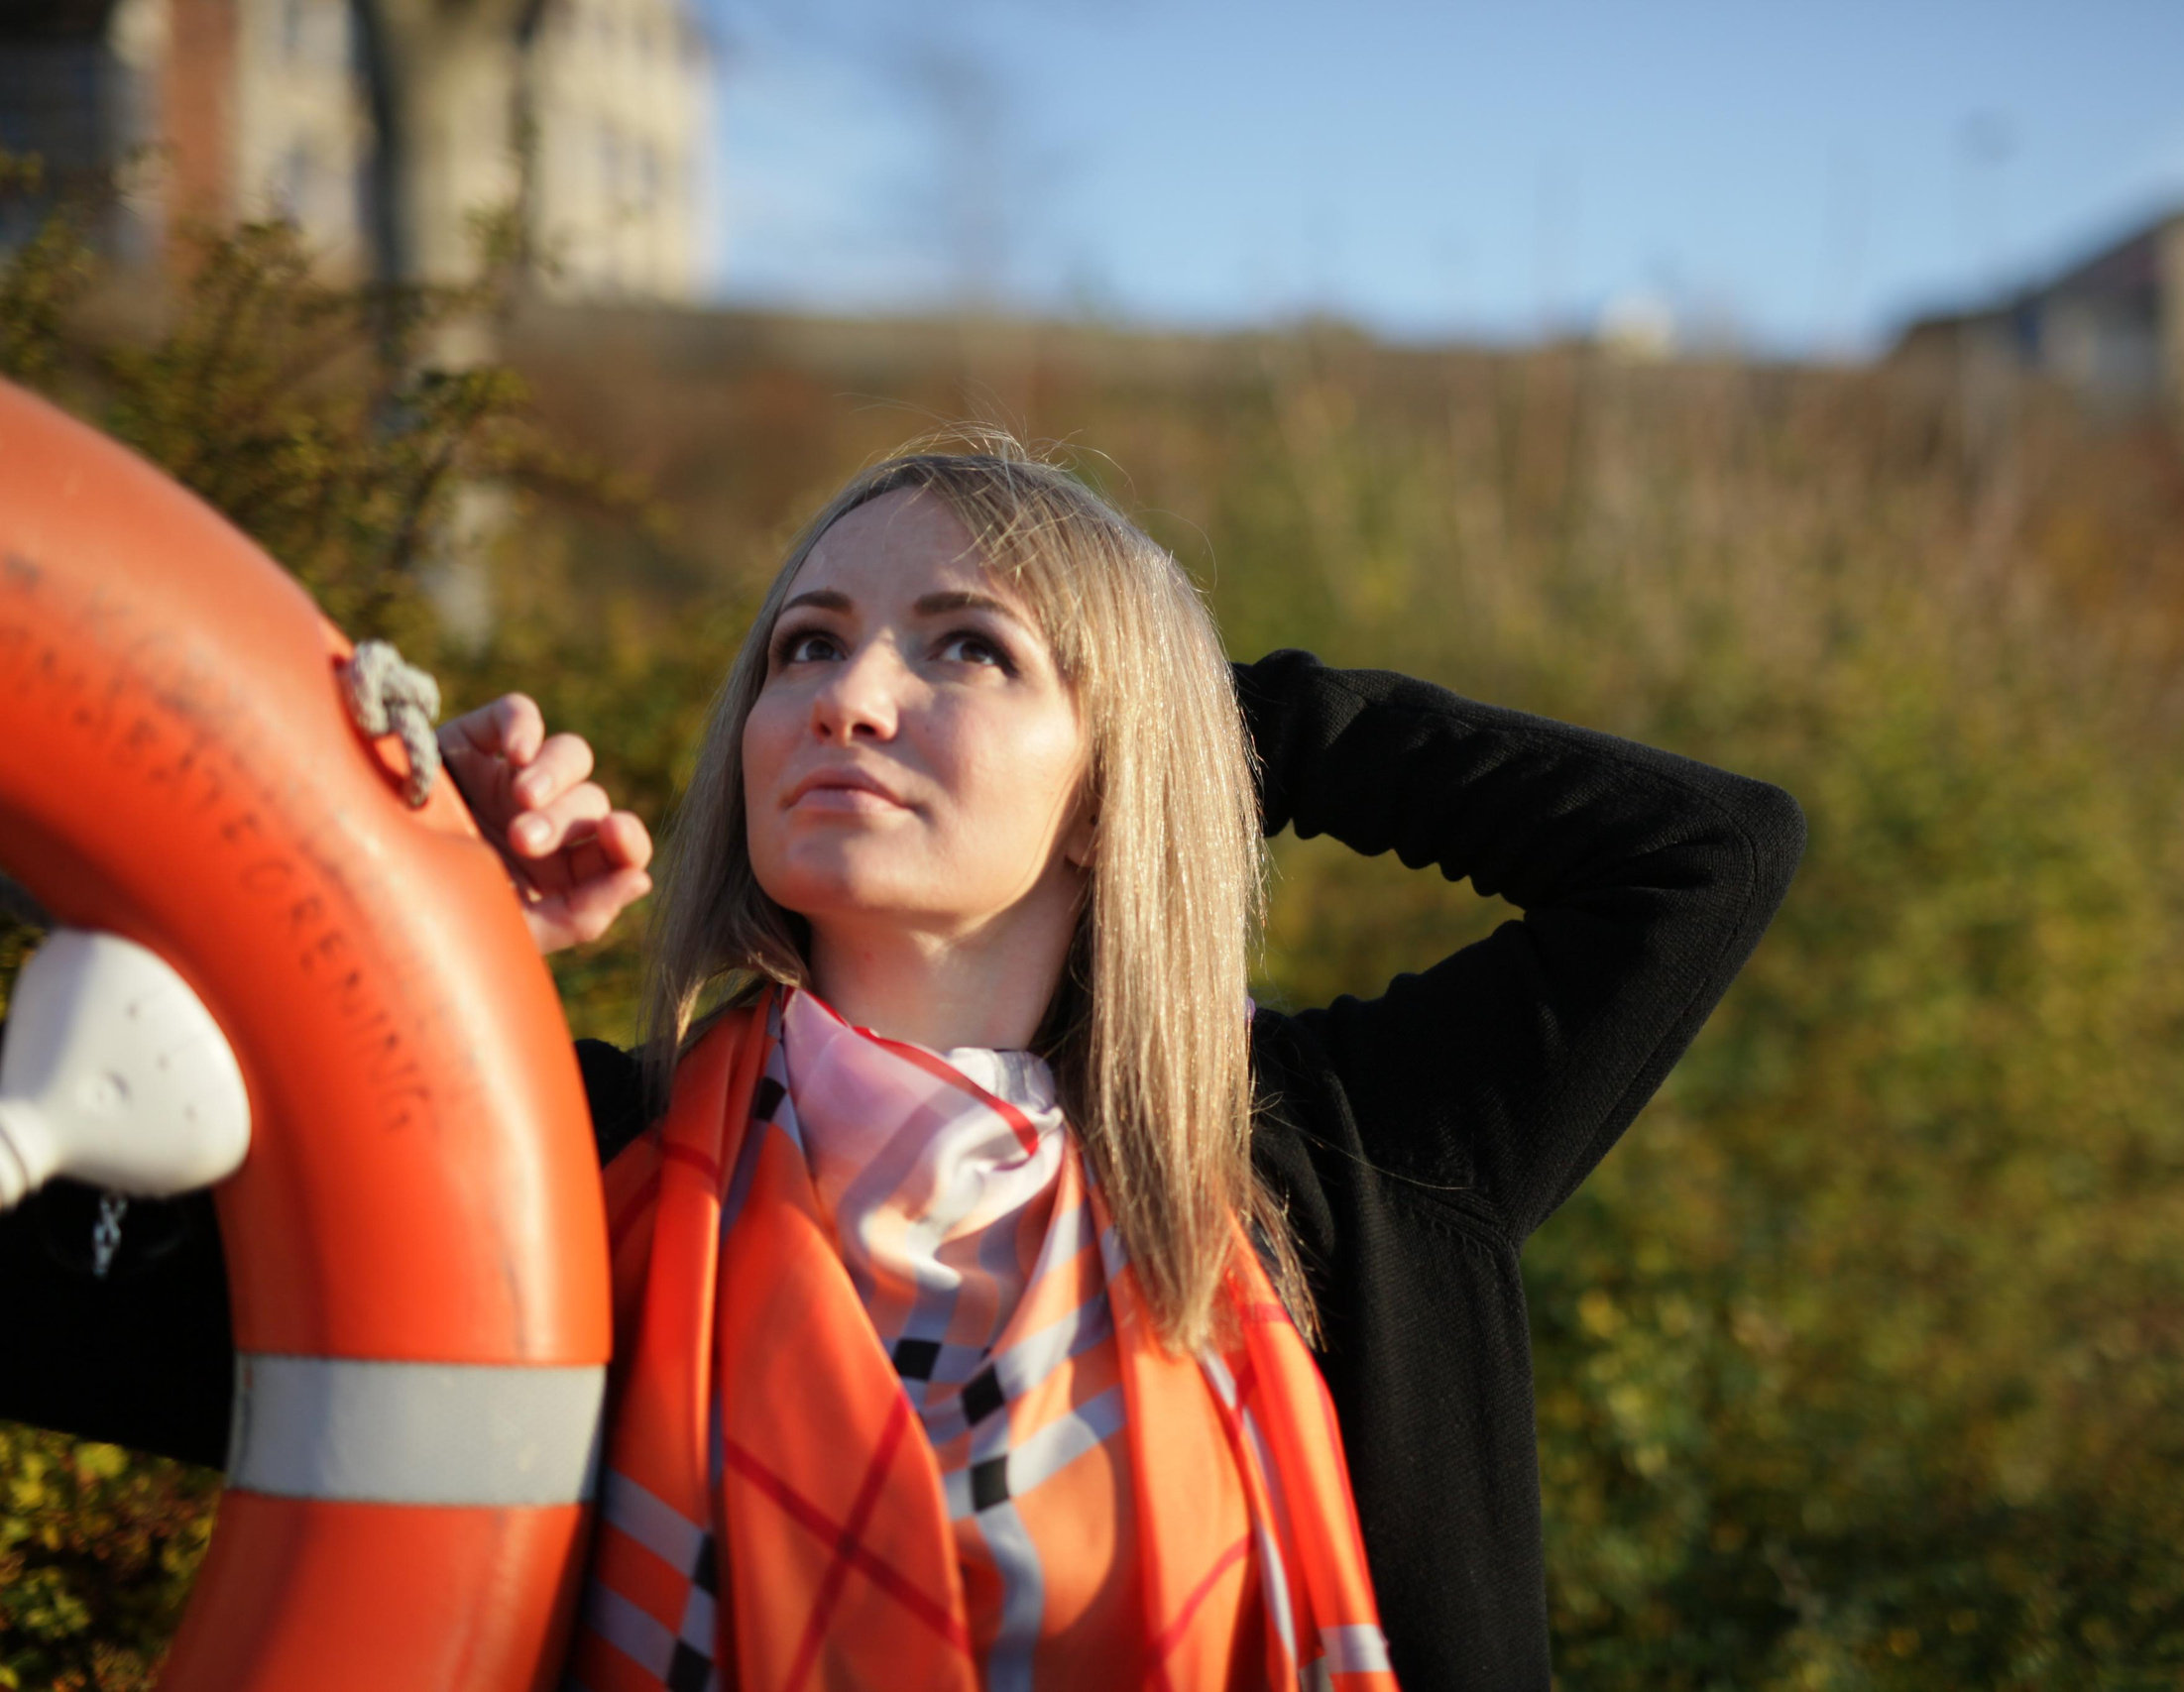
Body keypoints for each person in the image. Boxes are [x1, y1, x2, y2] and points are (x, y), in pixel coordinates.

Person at [0, 434, 1804, 1690]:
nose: (850, 696)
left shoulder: (1346, 1165)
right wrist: (402, 951)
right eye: (807, 646)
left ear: (1114, 787)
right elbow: (49, 1278)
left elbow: (1702, 854)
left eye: (966, 649)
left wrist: (1190, 711)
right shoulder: (567, 1160)